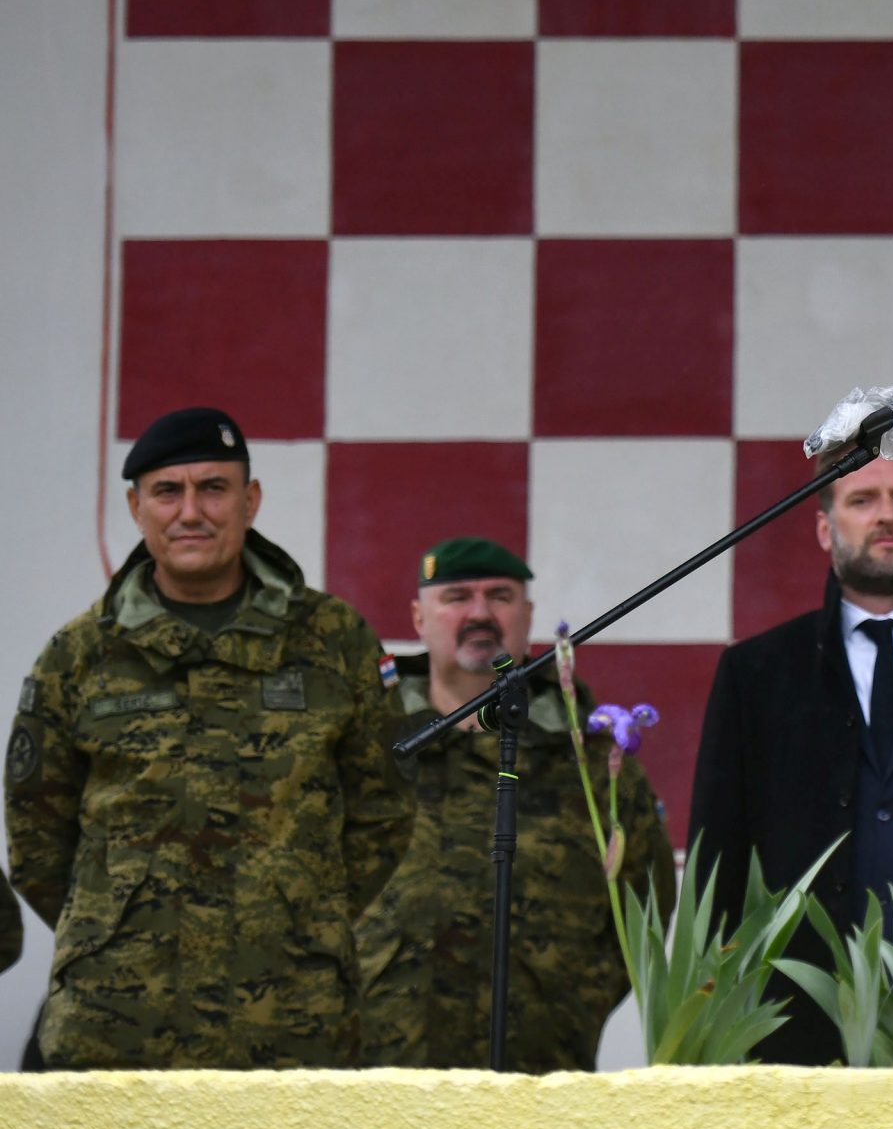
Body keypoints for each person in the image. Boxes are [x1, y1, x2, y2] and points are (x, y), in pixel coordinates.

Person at [5, 406, 412, 1068]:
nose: (190, 510)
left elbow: (385, 813)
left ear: (250, 500)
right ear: (137, 506)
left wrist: (295, 917)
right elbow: (37, 844)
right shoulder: (79, 655)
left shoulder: (334, 639)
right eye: (168, 491)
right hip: (117, 1020)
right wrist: (119, 930)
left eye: (213, 488)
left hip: (290, 1018)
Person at [690, 450, 893, 1066]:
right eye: (862, 500)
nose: (887, 517)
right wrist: (714, 1013)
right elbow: (719, 850)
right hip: (795, 1018)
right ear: (826, 528)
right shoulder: (756, 672)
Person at [359, 536, 673, 1071]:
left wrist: (572, 1000)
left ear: (526, 615)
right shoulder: (364, 746)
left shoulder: (592, 758)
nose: (479, 613)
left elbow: (645, 906)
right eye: (456, 597)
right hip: (378, 1079)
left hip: (542, 1075)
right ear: (418, 617)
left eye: (499, 596)